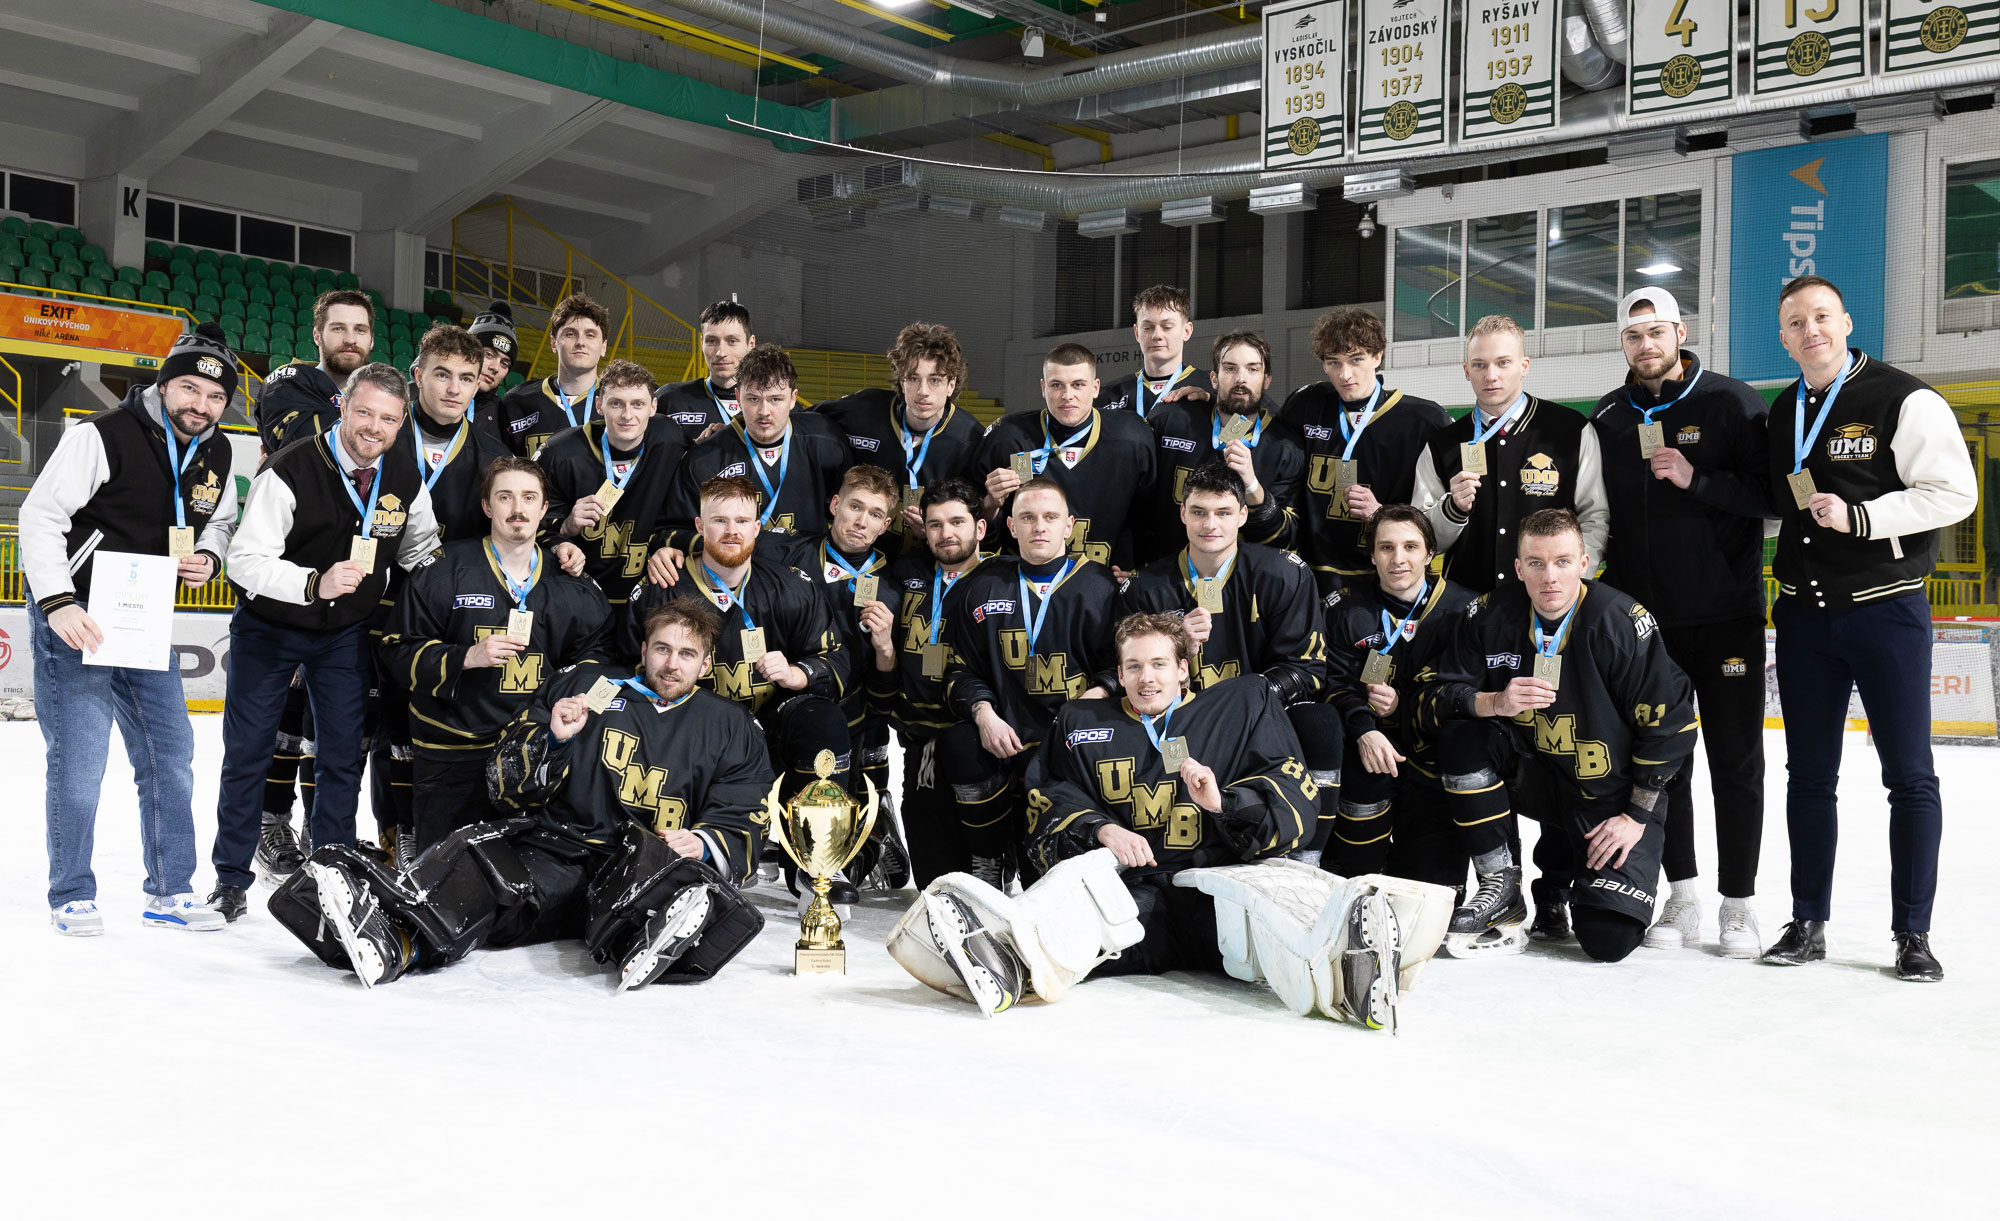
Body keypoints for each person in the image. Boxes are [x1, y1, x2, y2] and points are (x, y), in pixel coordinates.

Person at [887, 612, 1454, 1030]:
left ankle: (1345, 971)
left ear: (1184, 668)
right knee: (1089, 920)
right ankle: (1010, 962)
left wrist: (1223, 804)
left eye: (1159, 664)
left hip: (1219, 880)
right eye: (1134, 666)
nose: (1147, 678)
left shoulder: (1242, 704)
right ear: (1119, 673)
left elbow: (1292, 791)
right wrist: (1102, 829)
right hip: (1135, 892)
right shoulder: (1080, 721)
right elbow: (1046, 800)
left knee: (1263, 930)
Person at [271, 600, 771, 991]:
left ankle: (651, 932)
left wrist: (705, 841)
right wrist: (552, 739)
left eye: (687, 654)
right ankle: (395, 940)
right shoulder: (587, 686)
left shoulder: (733, 727)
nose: (671, 664)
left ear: (706, 663)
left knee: (662, 880)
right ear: (643, 651)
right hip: (560, 850)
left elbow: (745, 809)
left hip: (641, 861)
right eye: (662, 649)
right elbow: (504, 782)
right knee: (490, 879)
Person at [1760, 275, 1976, 982]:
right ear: (1784, 337)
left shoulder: (1904, 399)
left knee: (1909, 776)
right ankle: (1807, 921)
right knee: (1808, 776)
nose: (1812, 330)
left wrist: (1863, 517)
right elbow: (1774, 502)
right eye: (1797, 322)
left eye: (1822, 316)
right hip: (1804, 615)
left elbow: (1956, 493)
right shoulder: (1785, 408)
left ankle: (1913, 933)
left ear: (1847, 321)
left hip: (1886, 610)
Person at [23, 323, 239, 935]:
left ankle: (171, 891)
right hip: (78, 616)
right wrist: (59, 602)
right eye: (190, 388)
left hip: (143, 618)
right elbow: (40, 516)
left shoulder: (218, 452)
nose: (201, 405)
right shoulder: (101, 435)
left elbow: (219, 522)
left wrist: (208, 557)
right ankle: (71, 892)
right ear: (164, 384)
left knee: (170, 754)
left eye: (216, 397)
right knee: (79, 760)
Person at [208, 363, 442, 922]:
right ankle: (230, 879)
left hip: (342, 634)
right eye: (364, 412)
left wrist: (453, 584)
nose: (374, 427)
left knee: (341, 756)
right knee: (248, 754)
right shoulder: (289, 468)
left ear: (401, 422)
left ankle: (332, 878)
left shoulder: (403, 476)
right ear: (343, 408)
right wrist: (312, 583)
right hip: (270, 628)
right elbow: (243, 561)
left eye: (388, 418)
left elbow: (421, 548)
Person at [1419, 509, 1697, 963]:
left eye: (1563, 562)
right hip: (1534, 775)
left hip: (1607, 794)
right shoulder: (1489, 614)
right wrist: (1494, 702)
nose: (1550, 577)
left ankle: (1562, 888)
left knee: (1608, 939)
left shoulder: (1620, 622)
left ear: (1584, 564)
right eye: (1536, 563)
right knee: (1461, 736)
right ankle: (1501, 886)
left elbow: (1671, 728)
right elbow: (1433, 694)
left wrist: (1634, 816)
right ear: (1518, 568)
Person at [1588, 286, 1776, 958]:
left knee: (1736, 759)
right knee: (1665, 764)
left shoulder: (1732, 402)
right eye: (1633, 335)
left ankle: (1739, 904)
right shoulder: (1608, 416)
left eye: (1656, 332)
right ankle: (1684, 895)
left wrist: (1699, 480)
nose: (1645, 345)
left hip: (1725, 618)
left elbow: (1772, 499)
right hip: (1647, 626)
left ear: (1681, 332)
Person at [379, 457, 613, 848]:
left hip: (537, 751)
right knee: (445, 874)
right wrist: (465, 658)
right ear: (487, 506)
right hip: (453, 751)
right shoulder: (443, 570)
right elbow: (395, 652)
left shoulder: (573, 582)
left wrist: (573, 703)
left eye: (529, 498)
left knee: (531, 873)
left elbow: (602, 662)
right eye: (505, 497)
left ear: (544, 509)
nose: (517, 508)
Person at [1120, 463, 1333, 856]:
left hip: (1261, 723)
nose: (1210, 524)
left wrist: (1241, 706)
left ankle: (1307, 856)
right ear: (1183, 514)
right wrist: (1176, 648)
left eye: (1222, 512)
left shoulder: (1283, 574)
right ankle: (1172, 858)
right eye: (1199, 512)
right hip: (1178, 722)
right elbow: (1130, 677)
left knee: (1322, 723)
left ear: (1243, 514)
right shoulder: (1146, 588)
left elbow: (1307, 670)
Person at [624, 475, 851, 821]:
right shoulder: (662, 588)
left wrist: (798, 673)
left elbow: (836, 658)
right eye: (720, 520)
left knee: (822, 721)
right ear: (700, 526)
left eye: (742, 521)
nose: (732, 531)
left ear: (757, 528)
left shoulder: (791, 587)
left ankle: (813, 846)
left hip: (770, 722)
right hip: (689, 729)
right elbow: (626, 669)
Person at [940, 478, 1120, 885]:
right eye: (1027, 517)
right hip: (1007, 735)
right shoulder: (983, 584)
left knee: (1045, 880)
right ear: (1011, 525)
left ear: (1068, 526)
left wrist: (1088, 704)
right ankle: (989, 854)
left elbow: (1120, 667)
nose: (1039, 527)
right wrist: (984, 715)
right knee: (959, 742)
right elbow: (960, 669)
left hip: (1071, 737)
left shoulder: (1100, 586)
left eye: (1050, 517)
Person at [763, 464, 910, 888]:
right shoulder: (785, 554)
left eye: (875, 514)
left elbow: (886, 692)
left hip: (853, 717)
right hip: (782, 701)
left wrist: (885, 648)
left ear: (886, 526)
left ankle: (873, 826)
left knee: (844, 855)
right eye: (854, 507)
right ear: (834, 505)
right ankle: (769, 832)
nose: (861, 521)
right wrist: (670, 549)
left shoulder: (896, 586)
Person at [1321, 506, 1479, 892]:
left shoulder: (1465, 609)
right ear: (1372, 555)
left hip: (1435, 756)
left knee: (1430, 896)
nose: (1398, 559)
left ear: (1430, 554)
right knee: (1355, 885)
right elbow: (1333, 685)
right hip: (1369, 751)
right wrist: (1363, 729)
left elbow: (1466, 692)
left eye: (1411, 546)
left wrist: (1404, 705)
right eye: (1386, 547)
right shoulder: (1345, 608)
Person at [1413, 315, 1609, 595]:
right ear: (1466, 370)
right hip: (1467, 604)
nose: (1491, 376)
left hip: (1549, 601)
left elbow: (1594, 517)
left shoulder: (1571, 431)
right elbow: (1422, 540)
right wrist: (1451, 509)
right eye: (1479, 365)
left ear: (1524, 366)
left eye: (1503, 362)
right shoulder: (1442, 445)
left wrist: (1571, 582)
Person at [865, 478, 988, 885]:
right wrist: (884, 646)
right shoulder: (906, 573)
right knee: (933, 881)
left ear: (980, 527)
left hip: (979, 739)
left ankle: (994, 853)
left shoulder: (1002, 578)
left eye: (957, 522)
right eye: (935, 524)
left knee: (983, 864)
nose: (946, 533)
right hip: (921, 740)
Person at [1281, 307, 1452, 595]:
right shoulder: (1305, 405)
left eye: (1356, 359)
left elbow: (1441, 514)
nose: (1345, 374)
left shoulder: (1424, 421)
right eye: (1333, 362)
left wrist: (1383, 515)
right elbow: (1260, 428)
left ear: (1377, 356)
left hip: (1385, 578)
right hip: (1311, 575)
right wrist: (1211, 401)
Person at [651, 344, 851, 571]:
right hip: (735, 578)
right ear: (738, 396)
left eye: (775, 399)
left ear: (793, 398)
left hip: (808, 577)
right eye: (754, 399)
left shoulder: (827, 441)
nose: (764, 411)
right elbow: (668, 532)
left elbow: (845, 508)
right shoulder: (704, 459)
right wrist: (722, 545)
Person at [812, 321, 986, 558]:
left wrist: (933, 530)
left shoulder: (971, 440)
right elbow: (800, 425)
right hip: (855, 556)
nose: (923, 391)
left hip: (925, 563)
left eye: (934, 380)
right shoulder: (862, 409)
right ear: (901, 381)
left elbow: (977, 525)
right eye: (913, 378)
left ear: (951, 384)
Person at [973, 344, 1155, 570]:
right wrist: (991, 504)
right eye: (1057, 385)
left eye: (1078, 384)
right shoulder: (1008, 437)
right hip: (1027, 580)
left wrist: (1138, 575)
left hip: (1107, 580)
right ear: (1043, 387)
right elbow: (976, 530)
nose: (1067, 396)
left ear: (1095, 388)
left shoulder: (1132, 437)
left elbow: (1150, 522)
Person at [538, 359, 689, 615]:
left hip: (647, 593)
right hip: (576, 593)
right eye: (616, 403)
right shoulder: (560, 453)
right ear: (599, 405)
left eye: (637, 404)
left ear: (653, 407)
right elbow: (528, 527)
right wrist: (566, 526)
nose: (627, 415)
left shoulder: (670, 439)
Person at [1140, 330, 1304, 562]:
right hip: (1168, 574)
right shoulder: (1172, 420)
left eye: (1252, 369)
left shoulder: (1286, 447)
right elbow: (1135, 503)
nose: (1240, 379)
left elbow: (1283, 540)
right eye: (1230, 368)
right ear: (1214, 379)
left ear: (1267, 379)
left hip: (1243, 578)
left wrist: (1252, 486)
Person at [397, 322, 515, 541]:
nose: (454, 389)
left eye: (466, 379)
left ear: (476, 386)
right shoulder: (381, 435)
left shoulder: (496, 459)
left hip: (452, 564)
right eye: (443, 375)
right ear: (419, 377)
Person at [256, 288, 374, 453]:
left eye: (360, 330)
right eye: (338, 328)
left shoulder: (380, 395)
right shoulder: (286, 383)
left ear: (371, 340)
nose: (350, 340)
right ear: (317, 336)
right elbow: (308, 453)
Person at [495, 292, 609, 457]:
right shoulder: (517, 402)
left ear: (604, 346)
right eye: (570, 334)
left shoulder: (619, 403)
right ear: (553, 343)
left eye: (590, 335)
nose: (580, 342)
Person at [1094, 284, 1215, 417]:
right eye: (1147, 328)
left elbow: (1234, 422)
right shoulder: (1107, 395)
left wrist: (1212, 401)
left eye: (1167, 327)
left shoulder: (1212, 387)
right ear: (1136, 333)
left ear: (1186, 331)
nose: (1156, 335)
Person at [655, 299, 753, 441]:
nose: (721, 352)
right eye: (711, 341)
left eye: (732, 341)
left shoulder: (776, 406)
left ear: (751, 344)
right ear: (701, 343)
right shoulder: (668, 399)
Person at [465, 300, 518, 444]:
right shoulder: (429, 394)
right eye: (489, 354)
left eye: (504, 363)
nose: (495, 367)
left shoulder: (504, 415)